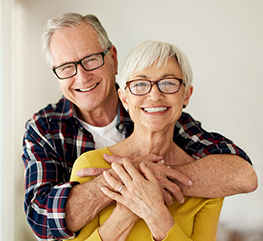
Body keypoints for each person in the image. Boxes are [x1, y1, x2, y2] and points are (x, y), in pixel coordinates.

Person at [22, 13, 257, 240]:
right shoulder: (46, 128)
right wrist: (125, 182)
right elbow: (41, 218)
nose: (82, 77)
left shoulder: (158, 114)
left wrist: (146, 179)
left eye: (91, 59)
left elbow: (242, 174)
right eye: (66, 67)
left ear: (113, 58)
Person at [69, 40, 226, 240]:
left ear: (186, 95)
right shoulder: (90, 165)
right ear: (124, 99)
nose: (154, 95)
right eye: (140, 84)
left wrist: (154, 212)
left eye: (168, 83)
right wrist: (129, 209)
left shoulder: (208, 185)